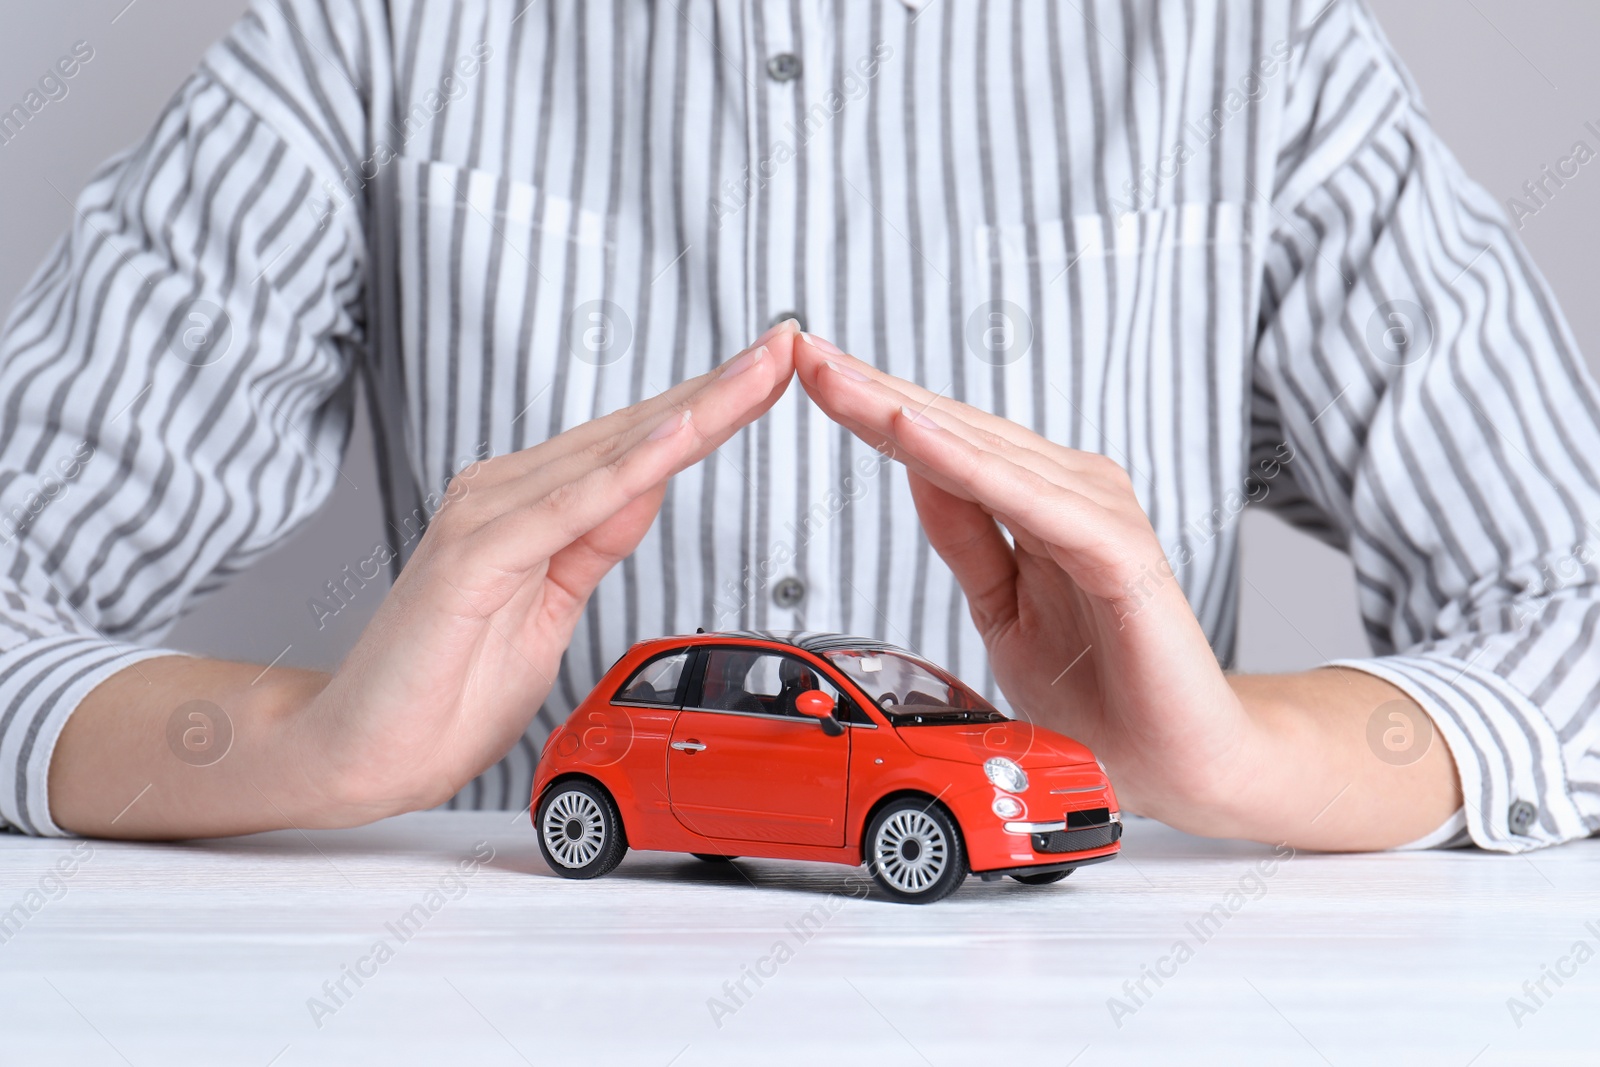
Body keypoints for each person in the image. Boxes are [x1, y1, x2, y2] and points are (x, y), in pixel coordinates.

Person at [3, 0, 1595, 855]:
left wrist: (1258, 760)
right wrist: (307, 744)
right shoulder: (375, 34)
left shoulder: (1252, 46)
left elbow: (1573, 601)